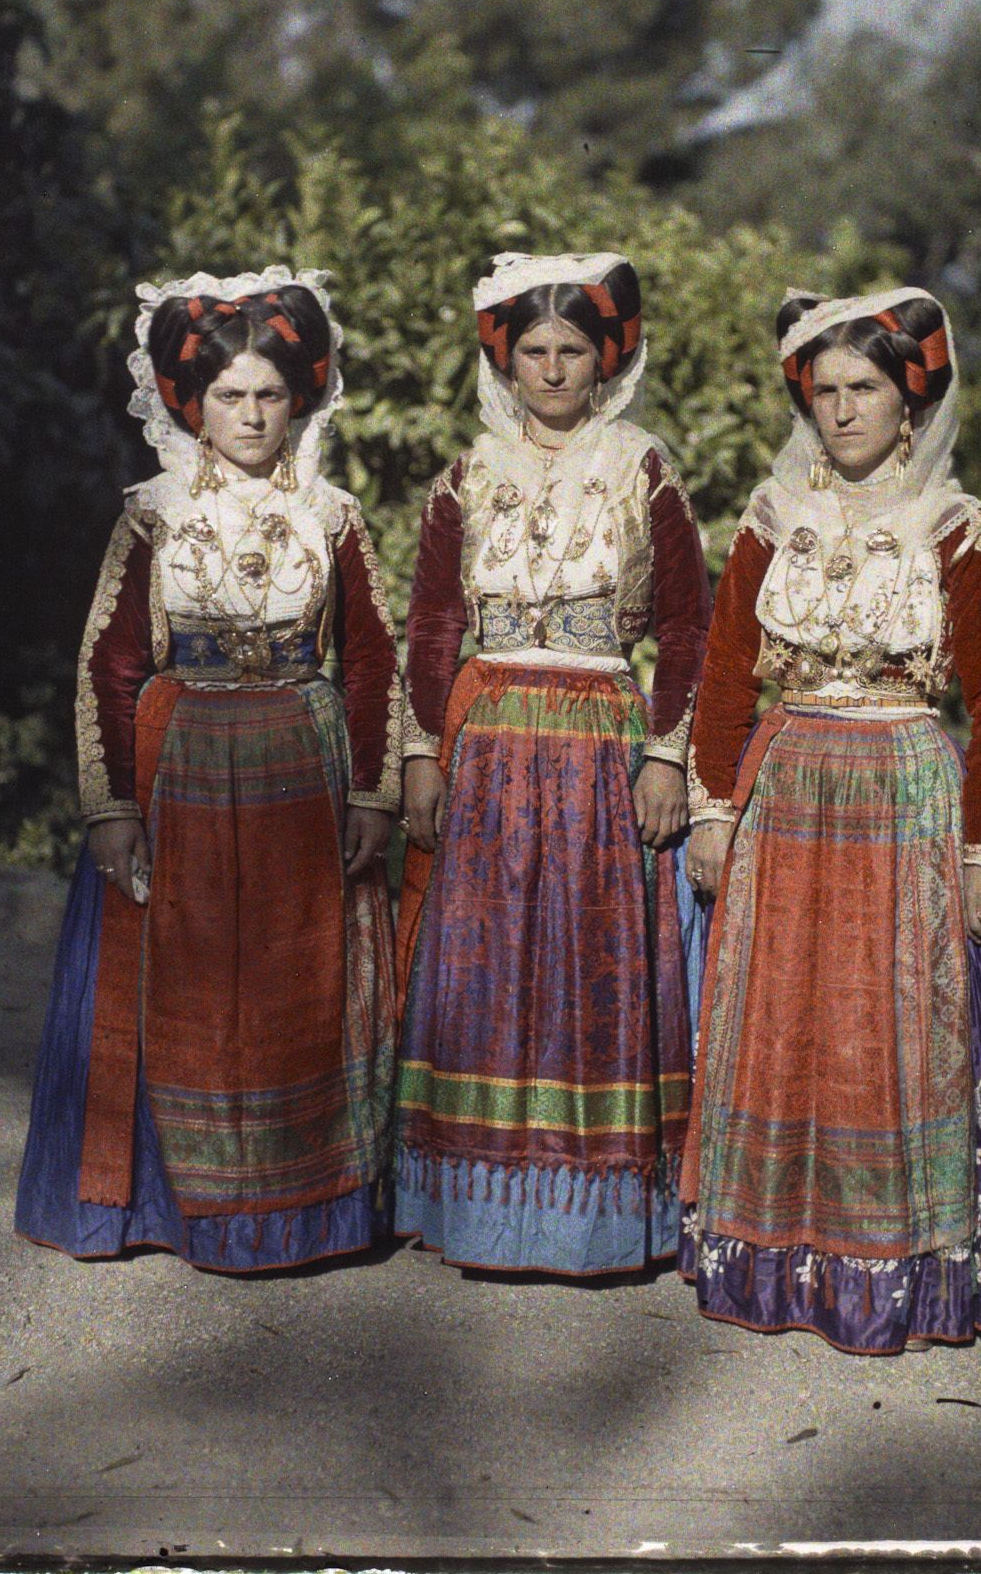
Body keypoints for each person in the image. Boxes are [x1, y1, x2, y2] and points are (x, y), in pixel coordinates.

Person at [680, 286, 981, 1351]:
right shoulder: (774, 519)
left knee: (892, 1020)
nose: (843, 409)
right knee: (789, 1019)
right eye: (825, 391)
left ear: (910, 401)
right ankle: (780, 1262)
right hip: (789, 783)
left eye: (864, 387)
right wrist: (714, 807)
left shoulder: (952, 527)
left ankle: (897, 1268)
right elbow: (725, 673)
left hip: (905, 787)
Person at [16, 269, 401, 1273]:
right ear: (191, 401)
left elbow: (370, 657)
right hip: (179, 768)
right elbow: (108, 662)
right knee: (179, 980)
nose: (251, 414)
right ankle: (162, 1203)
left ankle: (305, 1208)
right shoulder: (153, 512)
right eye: (230, 394)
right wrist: (110, 808)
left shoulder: (333, 514)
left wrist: (372, 789)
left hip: (302, 774)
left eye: (270, 393)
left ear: (302, 397)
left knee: (297, 978)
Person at [394, 250, 713, 1276]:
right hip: (485, 739)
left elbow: (690, 626)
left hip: (596, 740)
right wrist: (422, 755)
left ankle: (594, 1219)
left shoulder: (641, 465)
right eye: (533, 350)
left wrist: (665, 754)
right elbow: (432, 623)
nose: (552, 370)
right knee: (486, 959)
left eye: (572, 349)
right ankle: (480, 1212)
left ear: (604, 354)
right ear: (505, 356)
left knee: (590, 958)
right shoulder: (467, 473)